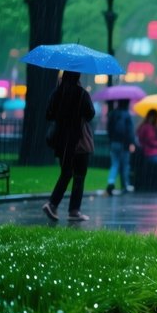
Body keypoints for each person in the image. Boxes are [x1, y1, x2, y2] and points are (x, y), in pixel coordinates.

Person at [42, 70, 95, 222]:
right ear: (78, 76)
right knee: (79, 176)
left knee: (66, 173)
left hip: (62, 141)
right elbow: (90, 114)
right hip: (79, 141)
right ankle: (74, 210)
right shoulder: (82, 94)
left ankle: (52, 204)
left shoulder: (56, 93)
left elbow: (48, 115)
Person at [105, 98, 135, 195]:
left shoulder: (113, 114)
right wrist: (131, 142)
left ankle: (111, 181)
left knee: (114, 164)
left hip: (114, 142)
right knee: (125, 165)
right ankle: (125, 185)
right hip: (124, 143)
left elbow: (109, 128)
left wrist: (111, 139)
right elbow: (130, 131)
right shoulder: (127, 115)